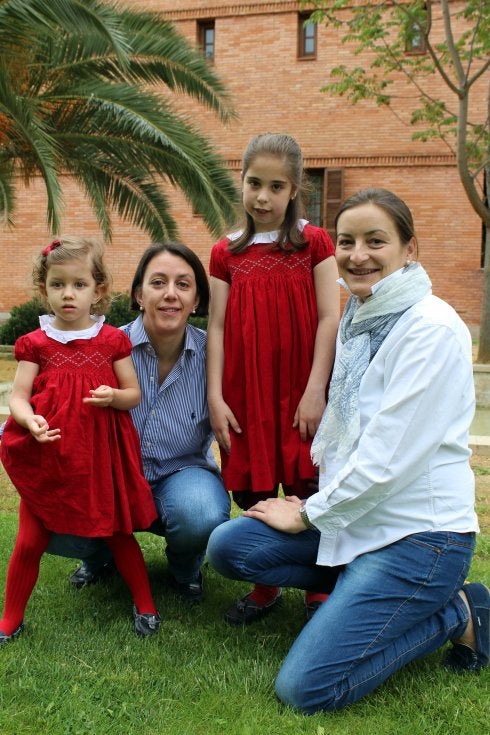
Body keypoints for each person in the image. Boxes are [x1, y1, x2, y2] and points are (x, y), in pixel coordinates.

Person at [207, 187, 489, 711]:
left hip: (418, 539)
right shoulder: (360, 320)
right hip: (354, 521)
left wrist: (311, 513)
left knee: (305, 689)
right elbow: (346, 442)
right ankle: (358, 588)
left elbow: (386, 461)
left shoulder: (429, 329)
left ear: (409, 249)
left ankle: (458, 610)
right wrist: (315, 507)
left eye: (375, 241)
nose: (357, 255)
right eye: (346, 241)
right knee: (232, 546)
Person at [0, 237, 161, 645]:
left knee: (117, 532)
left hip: (98, 456)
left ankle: (145, 604)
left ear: (98, 289)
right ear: (44, 289)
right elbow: (18, 396)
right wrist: (29, 418)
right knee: (30, 538)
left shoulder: (111, 341)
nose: (68, 294)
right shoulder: (36, 343)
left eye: (79, 284)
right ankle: (10, 619)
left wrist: (114, 397)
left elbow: (133, 394)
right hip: (48, 456)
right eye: (58, 285)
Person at [207, 133, 340, 623]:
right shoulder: (226, 253)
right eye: (253, 183)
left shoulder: (315, 243)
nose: (262, 197)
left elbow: (330, 317)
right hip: (247, 390)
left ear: (294, 189)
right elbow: (216, 326)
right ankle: (266, 581)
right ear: (240, 183)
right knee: (257, 488)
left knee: (308, 481)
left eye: (275, 186)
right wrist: (215, 396)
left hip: (301, 388)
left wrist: (314, 391)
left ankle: (318, 582)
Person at [53, 241, 231, 603]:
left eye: (183, 285)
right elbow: (60, 407)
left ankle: (185, 566)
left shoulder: (215, 356)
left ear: (197, 300)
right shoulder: (102, 348)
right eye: (158, 282)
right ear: (138, 294)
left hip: (181, 474)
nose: (170, 295)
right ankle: (100, 556)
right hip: (112, 479)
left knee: (200, 512)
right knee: (49, 515)